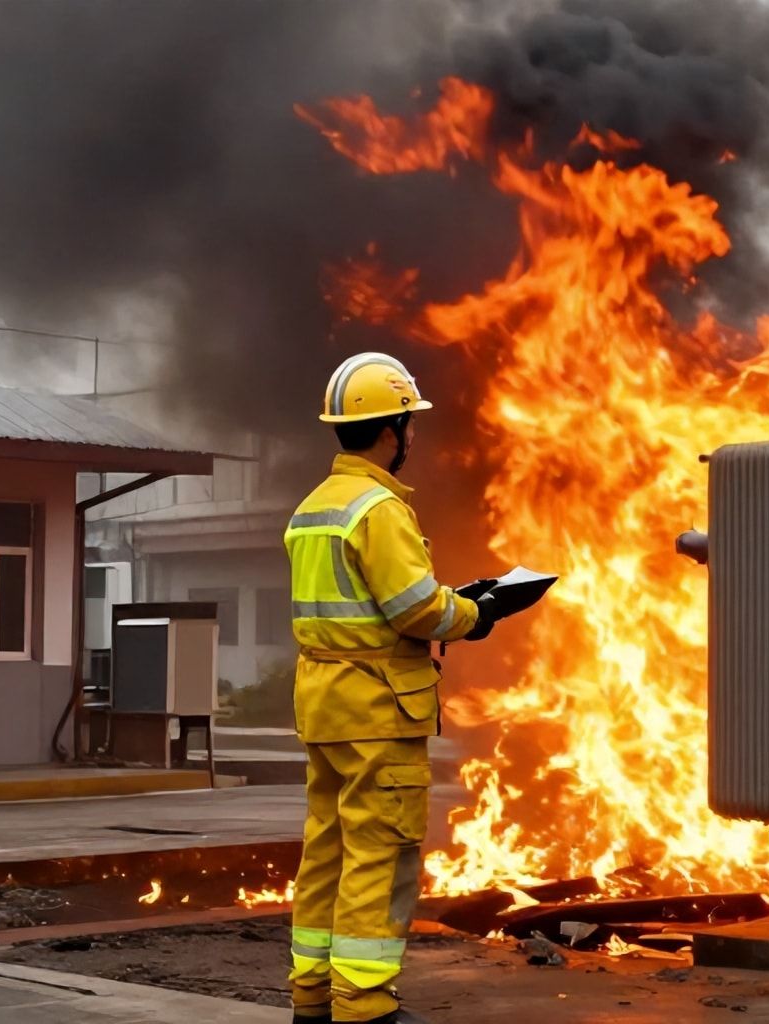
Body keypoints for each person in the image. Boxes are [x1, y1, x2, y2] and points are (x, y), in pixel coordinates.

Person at [283, 352, 501, 1024]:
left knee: (327, 852)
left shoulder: (312, 509)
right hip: (379, 710)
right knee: (379, 858)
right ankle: (365, 1008)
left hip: (325, 708)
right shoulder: (377, 508)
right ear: (388, 430)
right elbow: (413, 608)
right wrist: (474, 612)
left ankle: (313, 999)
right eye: (408, 424)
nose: (412, 437)